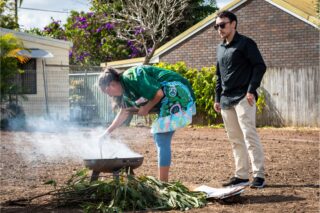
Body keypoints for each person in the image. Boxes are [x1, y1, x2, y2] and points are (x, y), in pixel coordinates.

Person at [98, 65, 196, 182]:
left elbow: (158, 93)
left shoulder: (131, 76)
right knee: (160, 138)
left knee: (161, 137)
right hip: (170, 97)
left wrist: (146, 108)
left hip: (176, 91)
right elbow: (124, 112)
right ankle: (163, 182)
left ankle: (163, 183)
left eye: (107, 91)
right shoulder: (125, 91)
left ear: (112, 84)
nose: (109, 95)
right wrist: (106, 133)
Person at [213, 10, 266, 188]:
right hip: (226, 99)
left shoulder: (246, 43)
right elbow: (219, 76)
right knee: (235, 139)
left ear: (233, 24)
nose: (219, 28)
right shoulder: (220, 48)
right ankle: (241, 175)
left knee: (249, 135)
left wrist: (251, 90)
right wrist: (217, 98)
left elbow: (260, 66)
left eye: (222, 25)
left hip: (244, 97)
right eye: (216, 26)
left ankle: (258, 175)